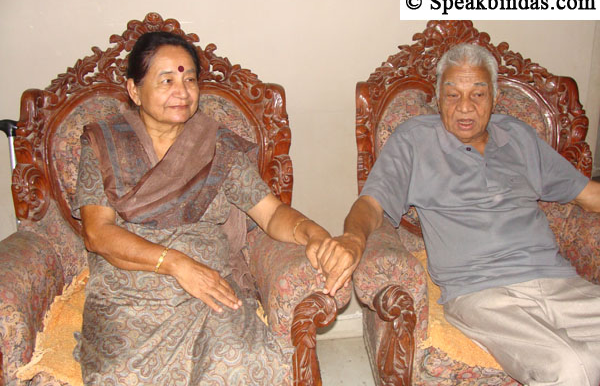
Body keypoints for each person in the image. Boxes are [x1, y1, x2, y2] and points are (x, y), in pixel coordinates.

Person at [315, 43, 600, 385]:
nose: (465, 107)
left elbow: (589, 195)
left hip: (558, 282)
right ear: (438, 97)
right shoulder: (414, 140)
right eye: (452, 95)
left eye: (478, 94)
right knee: (572, 364)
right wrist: (352, 238)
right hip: (481, 293)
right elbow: (372, 204)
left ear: (494, 96)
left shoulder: (520, 136)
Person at [72, 31, 331, 385]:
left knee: (243, 358)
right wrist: (177, 264)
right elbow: (97, 233)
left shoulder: (217, 147)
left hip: (210, 290)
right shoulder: (104, 144)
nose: (182, 91)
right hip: (130, 294)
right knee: (124, 376)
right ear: (134, 90)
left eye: (190, 79)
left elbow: (270, 213)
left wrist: (313, 232)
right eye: (167, 81)